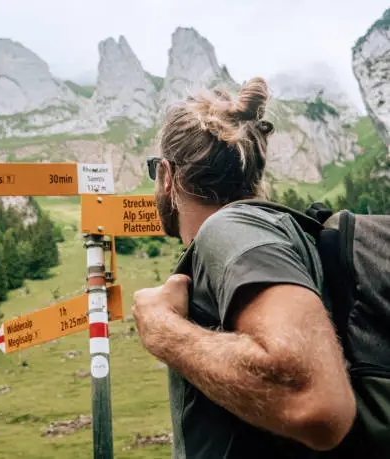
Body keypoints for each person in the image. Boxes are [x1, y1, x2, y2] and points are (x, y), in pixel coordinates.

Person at [132, 77, 357, 459]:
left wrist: (162, 330)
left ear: (167, 177)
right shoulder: (251, 234)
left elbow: (316, 402)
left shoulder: (229, 229)